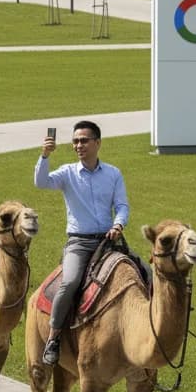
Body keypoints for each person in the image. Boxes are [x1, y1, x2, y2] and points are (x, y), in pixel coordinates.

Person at [33, 120, 129, 366]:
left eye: (84, 140)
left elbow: (121, 205)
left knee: (143, 273)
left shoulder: (113, 173)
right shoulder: (67, 173)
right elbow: (41, 182)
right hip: (80, 243)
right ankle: (54, 338)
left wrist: (118, 224)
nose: (78, 145)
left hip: (108, 241)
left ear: (98, 143)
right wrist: (45, 155)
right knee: (70, 282)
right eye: (75, 141)